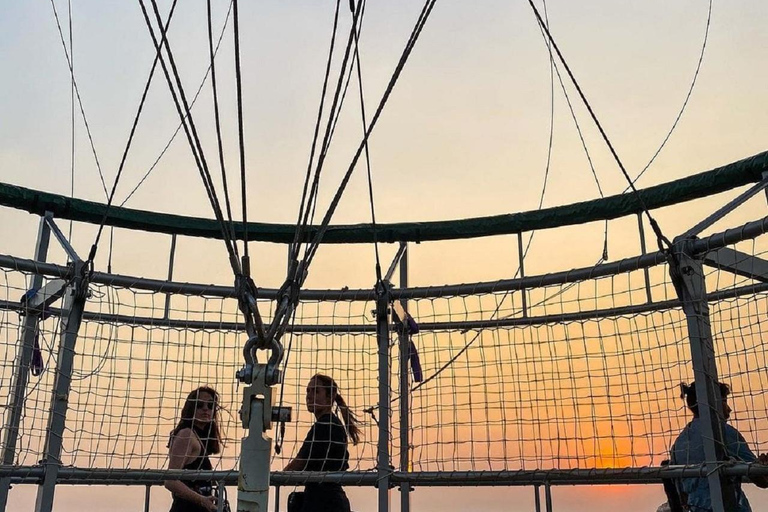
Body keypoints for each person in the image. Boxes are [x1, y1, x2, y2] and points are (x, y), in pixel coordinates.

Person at [669, 381, 768, 512]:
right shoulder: (724, 432)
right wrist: (763, 466)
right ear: (713, 403)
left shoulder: (679, 443)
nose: (729, 409)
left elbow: (681, 494)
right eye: (724, 401)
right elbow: (761, 480)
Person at [284, 374, 362, 512]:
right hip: (330, 499)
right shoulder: (334, 424)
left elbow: (300, 462)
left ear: (329, 397)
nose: (309, 396)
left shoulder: (324, 426)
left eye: (316, 391)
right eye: (308, 391)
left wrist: (278, 477)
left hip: (322, 502)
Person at [165, 386, 223, 512]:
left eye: (210, 405)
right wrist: (202, 500)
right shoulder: (186, 435)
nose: (205, 409)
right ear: (191, 408)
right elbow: (170, 480)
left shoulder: (199, 437)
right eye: (200, 405)